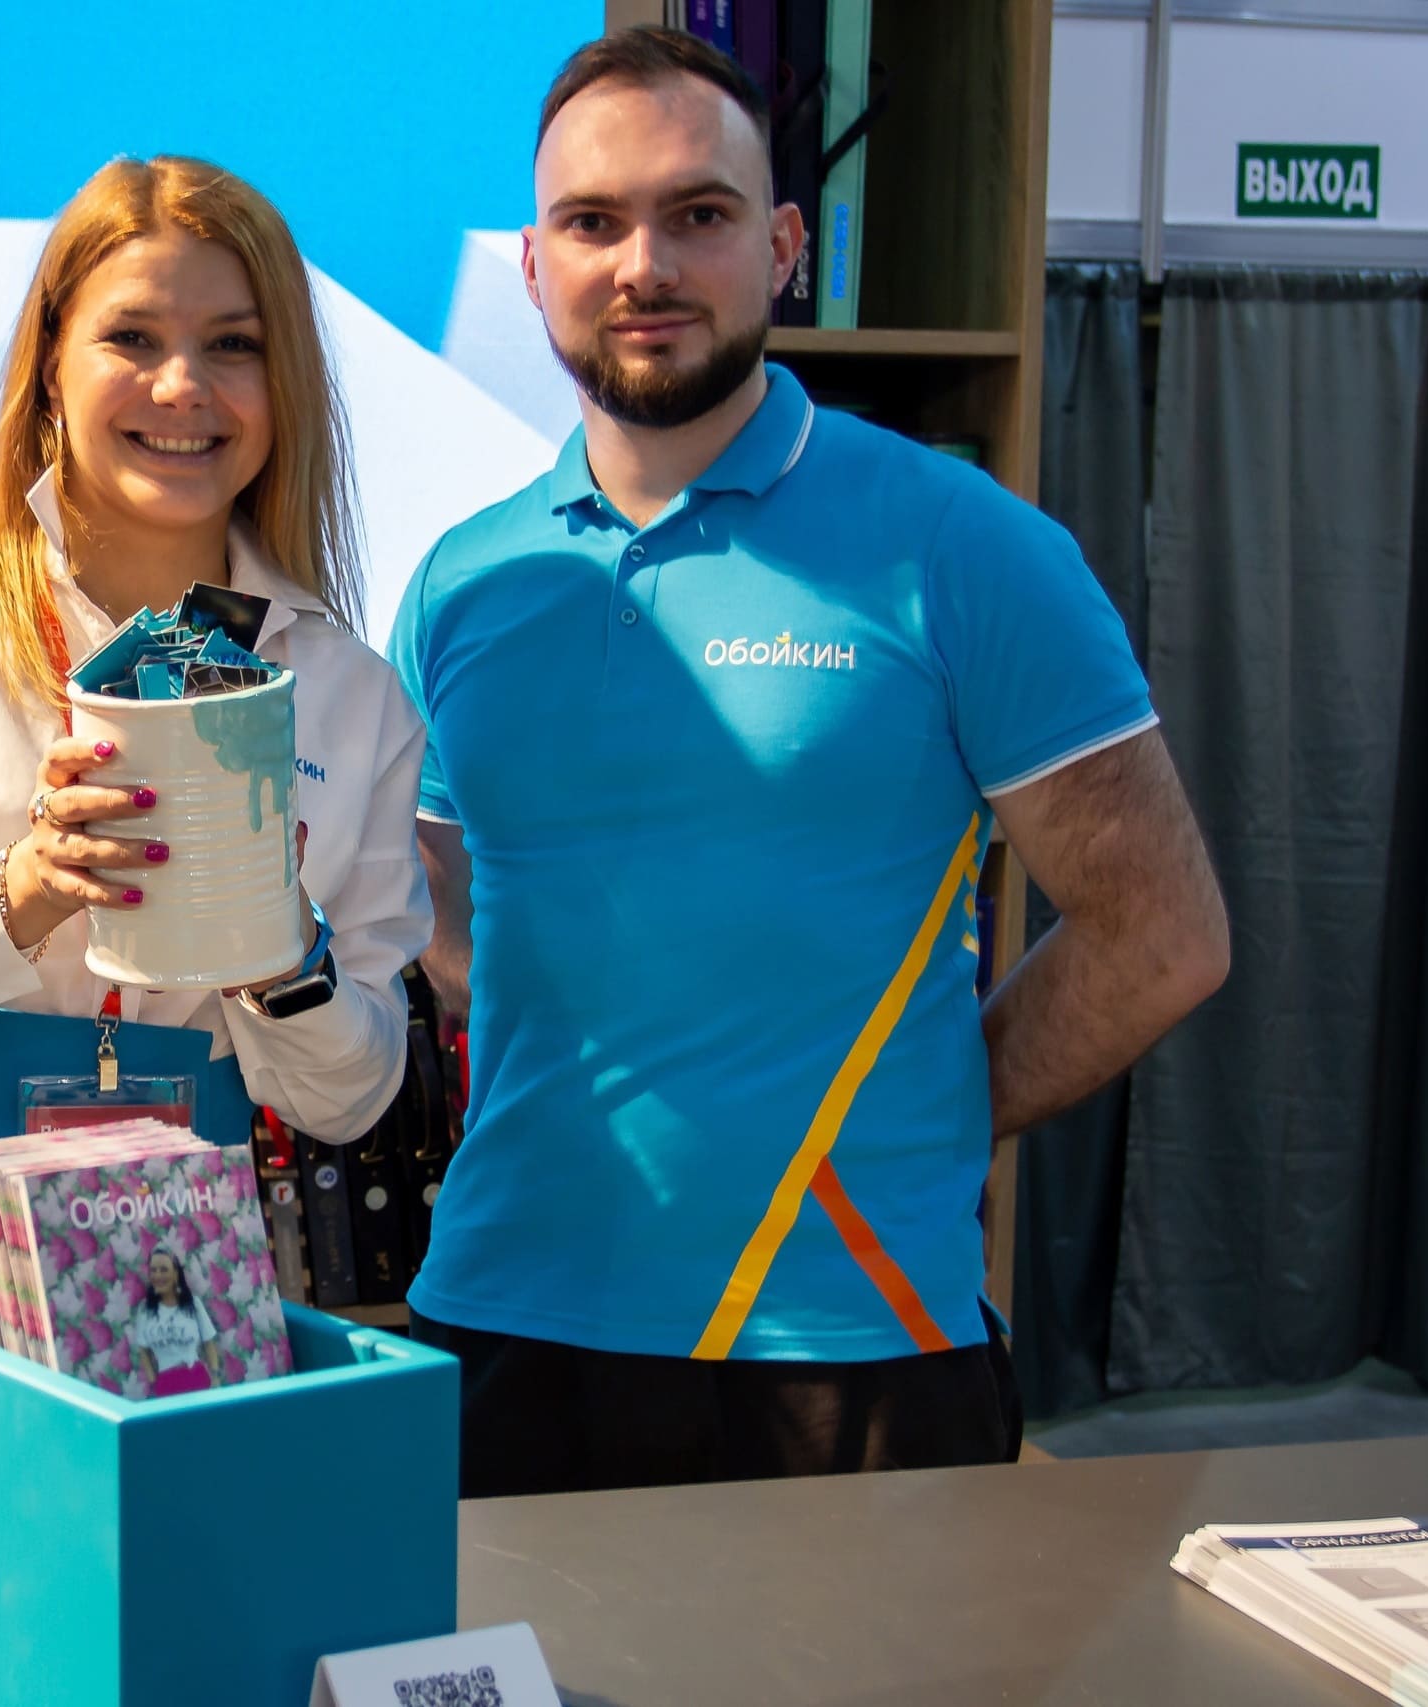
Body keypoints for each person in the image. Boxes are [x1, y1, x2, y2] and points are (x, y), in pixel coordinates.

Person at [392, 30, 1231, 1495]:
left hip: (851, 1340)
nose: (643, 264)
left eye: (697, 213)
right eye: (592, 222)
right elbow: (449, 924)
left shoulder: (963, 545)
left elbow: (1163, 935)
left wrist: (924, 1111)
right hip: (504, 1322)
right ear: (533, 266)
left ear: (782, 247)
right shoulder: (462, 583)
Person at [0, 154, 433, 1542]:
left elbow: (351, 1102)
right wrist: (17, 893)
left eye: (233, 345)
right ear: (49, 365)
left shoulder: (348, 695)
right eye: (132, 337)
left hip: (168, 1300)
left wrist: (273, 945)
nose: (183, 387)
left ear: (284, 386)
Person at [132, 1247, 221, 1395]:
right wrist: (153, 1382)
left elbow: (209, 1342)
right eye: (153, 1270)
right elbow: (143, 1351)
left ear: (175, 1274)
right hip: (166, 1384)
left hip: (196, 1378)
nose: (158, 1275)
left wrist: (216, 1377)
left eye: (164, 1270)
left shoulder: (193, 1304)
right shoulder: (145, 1310)